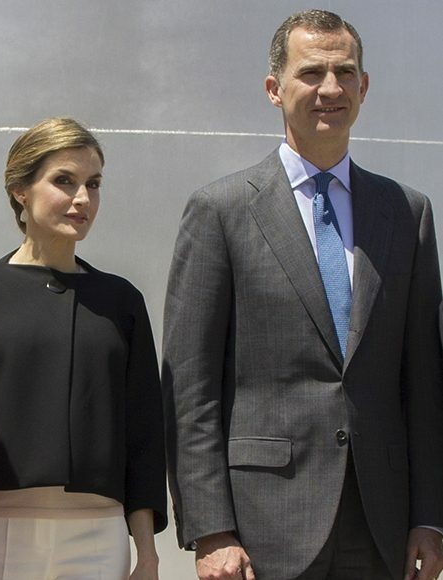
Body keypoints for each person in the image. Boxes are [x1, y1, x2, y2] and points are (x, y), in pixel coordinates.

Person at [162, 9, 443, 580]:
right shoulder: (221, 211)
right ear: (275, 89)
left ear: (364, 86)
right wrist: (211, 528)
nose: (330, 88)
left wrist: (430, 517)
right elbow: (190, 385)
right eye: (311, 72)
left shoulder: (406, 212)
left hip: (383, 527)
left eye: (345, 72)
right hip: (263, 527)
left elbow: (424, 380)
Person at [0, 117, 167, 580]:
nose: (82, 198)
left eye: (93, 184)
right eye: (64, 181)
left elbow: (143, 432)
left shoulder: (121, 300)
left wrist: (147, 554)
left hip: (100, 535)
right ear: (20, 190)